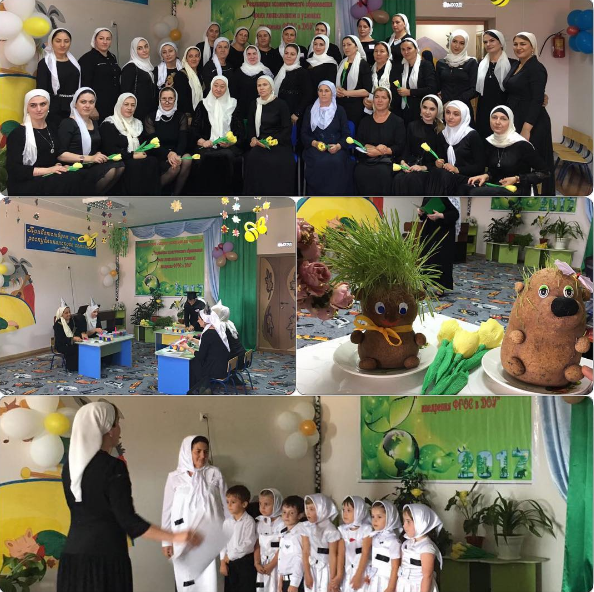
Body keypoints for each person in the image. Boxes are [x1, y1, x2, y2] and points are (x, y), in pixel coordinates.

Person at [57, 402, 200, 592]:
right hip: (106, 560)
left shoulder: (69, 469)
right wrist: (175, 536)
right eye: (117, 423)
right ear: (109, 429)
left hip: (72, 560)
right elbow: (128, 520)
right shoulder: (113, 467)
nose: (119, 429)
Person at [161, 435, 227, 592]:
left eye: (206, 451)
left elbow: (226, 506)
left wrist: (227, 544)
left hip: (210, 537)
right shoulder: (174, 477)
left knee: (211, 582)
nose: (202, 456)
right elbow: (167, 510)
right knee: (187, 581)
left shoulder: (214, 474)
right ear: (187, 452)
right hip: (183, 538)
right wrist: (166, 541)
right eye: (198, 451)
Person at [503, 32, 555, 195]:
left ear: (532, 47)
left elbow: (537, 100)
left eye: (523, 44)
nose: (518, 47)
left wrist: (527, 128)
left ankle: (536, 198)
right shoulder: (516, 65)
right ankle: (519, 194)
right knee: (519, 161)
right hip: (516, 118)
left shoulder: (537, 68)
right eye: (515, 44)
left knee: (534, 163)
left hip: (533, 122)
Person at [7, 90, 86, 196]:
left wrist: (60, 166)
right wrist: (49, 170)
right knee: (68, 180)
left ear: (49, 106)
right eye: (33, 105)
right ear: (27, 108)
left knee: (79, 175)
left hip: (48, 176)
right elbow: (15, 170)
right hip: (25, 182)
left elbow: (54, 154)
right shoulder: (17, 134)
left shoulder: (52, 128)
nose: (39, 109)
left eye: (43, 104)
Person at [467, 105, 550, 196]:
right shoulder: (490, 142)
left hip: (517, 189)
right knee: (467, 187)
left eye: (503, 119)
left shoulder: (521, 144)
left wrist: (517, 179)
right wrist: (486, 176)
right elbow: (495, 170)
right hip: (496, 187)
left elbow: (544, 172)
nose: (497, 122)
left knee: (475, 193)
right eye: (494, 117)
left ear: (510, 122)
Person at [58, 87, 124, 194]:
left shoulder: (94, 122)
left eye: (91, 102)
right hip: (73, 166)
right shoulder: (68, 123)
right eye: (83, 102)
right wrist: (90, 158)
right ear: (75, 104)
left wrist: (97, 155)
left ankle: (97, 196)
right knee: (110, 171)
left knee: (120, 166)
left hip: (90, 163)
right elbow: (61, 155)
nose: (87, 105)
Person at [189, 76, 244, 195]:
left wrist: (230, 142)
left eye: (222, 86)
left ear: (226, 88)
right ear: (211, 86)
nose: (218, 89)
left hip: (228, 146)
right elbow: (194, 129)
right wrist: (202, 141)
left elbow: (240, 130)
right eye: (216, 85)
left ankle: (227, 196)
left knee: (227, 156)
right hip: (206, 144)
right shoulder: (203, 104)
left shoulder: (233, 104)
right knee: (204, 157)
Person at [100, 92, 160, 195]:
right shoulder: (109, 123)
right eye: (126, 104)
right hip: (120, 159)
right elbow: (110, 149)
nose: (129, 108)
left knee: (152, 161)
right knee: (134, 165)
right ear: (119, 105)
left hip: (137, 157)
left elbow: (145, 142)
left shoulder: (138, 123)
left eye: (133, 105)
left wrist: (143, 152)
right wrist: (132, 155)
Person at [244, 75, 295, 195]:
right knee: (253, 158)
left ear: (271, 87)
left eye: (265, 85)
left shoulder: (281, 104)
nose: (261, 88)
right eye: (259, 85)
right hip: (260, 142)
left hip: (279, 143)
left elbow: (287, 128)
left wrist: (273, 141)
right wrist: (253, 138)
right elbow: (251, 126)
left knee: (277, 161)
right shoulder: (254, 104)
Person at [301, 81, 354, 196]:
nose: (323, 94)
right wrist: (315, 144)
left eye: (326, 91)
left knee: (336, 161)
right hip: (315, 148)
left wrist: (338, 146)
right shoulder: (310, 110)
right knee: (319, 162)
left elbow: (346, 134)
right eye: (320, 91)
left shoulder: (339, 110)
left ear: (332, 93)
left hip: (336, 148)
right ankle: (317, 196)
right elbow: (304, 134)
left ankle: (337, 197)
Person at [354, 87, 406, 195]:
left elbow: (399, 147)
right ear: (373, 100)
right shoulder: (364, 121)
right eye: (377, 97)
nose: (380, 100)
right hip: (367, 159)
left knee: (382, 172)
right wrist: (372, 149)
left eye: (384, 97)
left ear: (389, 101)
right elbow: (358, 143)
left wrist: (382, 151)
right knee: (359, 171)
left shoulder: (398, 122)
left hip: (387, 161)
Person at [427, 100, 485, 196]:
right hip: (448, 176)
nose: (450, 117)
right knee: (436, 172)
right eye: (448, 112)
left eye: (456, 114)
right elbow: (442, 159)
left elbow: (480, 167)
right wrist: (439, 163)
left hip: (468, 178)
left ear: (463, 116)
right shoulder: (442, 135)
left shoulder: (472, 135)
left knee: (443, 176)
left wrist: (457, 169)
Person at [392, 94, 444, 196]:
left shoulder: (441, 130)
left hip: (429, 169)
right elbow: (406, 148)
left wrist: (423, 167)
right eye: (425, 107)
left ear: (438, 111)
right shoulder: (412, 125)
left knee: (413, 179)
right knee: (398, 178)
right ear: (420, 108)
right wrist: (403, 162)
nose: (427, 112)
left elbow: (441, 158)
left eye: (432, 109)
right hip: (411, 164)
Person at [143, 87, 191, 195]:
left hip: (176, 152)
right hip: (158, 153)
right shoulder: (150, 117)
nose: (167, 102)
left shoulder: (181, 116)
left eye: (170, 98)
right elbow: (153, 143)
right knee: (175, 168)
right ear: (159, 100)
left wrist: (177, 155)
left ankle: (175, 195)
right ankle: (153, 193)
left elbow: (183, 140)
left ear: (175, 100)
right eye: (164, 99)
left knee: (187, 159)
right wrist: (168, 154)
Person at [36, 29, 81, 127]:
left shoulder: (75, 63)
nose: (62, 45)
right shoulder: (45, 63)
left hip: (74, 107)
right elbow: (41, 90)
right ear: (51, 42)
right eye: (58, 41)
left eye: (66, 41)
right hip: (54, 109)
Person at [475, 30, 515, 139]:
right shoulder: (480, 64)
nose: (488, 44)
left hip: (504, 110)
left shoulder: (513, 64)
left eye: (492, 40)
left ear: (501, 43)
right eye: (485, 42)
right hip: (484, 110)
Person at [183, 308, 231, 394]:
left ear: (205, 320)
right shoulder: (216, 329)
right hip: (223, 365)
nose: (198, 321)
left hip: (215, 369)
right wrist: (193, 339)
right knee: (195, 361)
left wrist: (188, 348)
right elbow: (207, 345)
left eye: (199, 319)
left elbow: (200, 356)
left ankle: (201, 388)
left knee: (193, 363)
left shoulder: (207, 334)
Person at [435, 29, 478, 125]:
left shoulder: (471, 63)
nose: (457, 46)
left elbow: (475, 89)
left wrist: (453, 102)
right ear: (450, 41)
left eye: (462, 43)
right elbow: (437, 87)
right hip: (445, 108)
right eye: (454, 41)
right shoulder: (441, 63)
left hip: (463, 107)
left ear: (465, 45)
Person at [418, 197, 460, 293]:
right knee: (426, 257)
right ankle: (424, 282)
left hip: (443, 232)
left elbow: (455, 214)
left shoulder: (448, 197)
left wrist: (441, 215)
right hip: (428, 231)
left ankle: (440, 286)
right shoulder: (426, 196)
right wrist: (421, 213)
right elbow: (424, 215)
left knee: (441, 259)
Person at [397, 504, 443, 592]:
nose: (404, 526)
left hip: (419, 587)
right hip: (404, 586)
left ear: (421, 522)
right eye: (404, 521)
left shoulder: (426, 547)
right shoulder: (406, 543)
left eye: (408, 521)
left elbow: (427, 576)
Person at [220, 485, 258, 592]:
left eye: (233, 502)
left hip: (244, 563)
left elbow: (248, 544)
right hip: (229, 563)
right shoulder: (227, 522)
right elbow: (223, 543)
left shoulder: (249, 521)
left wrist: (230, 555)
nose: (229, 505)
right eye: (227, 502)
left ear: (244, 504)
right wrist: (223, 562)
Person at [79, 28, 120, 122]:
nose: (105, 42)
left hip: (114, 104)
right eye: (101, 38)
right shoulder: (87, 58)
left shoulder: (112, 57)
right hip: (97, 105)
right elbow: (85, 84)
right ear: (95, 40)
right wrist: (91, 107)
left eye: (108, 39)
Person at [394, 38, 438, 125]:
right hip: (405, 110)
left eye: (409, 48)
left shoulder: (425, 65)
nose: (406, 52)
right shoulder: (401, 67)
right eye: (403, 49)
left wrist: (409, 92)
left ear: (416, 49)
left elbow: (432, 89)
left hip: (421, 109)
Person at [302, 494, 340, 592]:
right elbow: (305, 552)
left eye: (312, 509)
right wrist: (307, 574)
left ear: (322, 510)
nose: (308, 512)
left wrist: (332, 580)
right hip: (312, 569)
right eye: (307, 508)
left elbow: (333, 555)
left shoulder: (331, 530)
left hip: (326, 570)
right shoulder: (307, 527)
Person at [274, 43, 313, 141]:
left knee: (293, 140)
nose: (288, 56)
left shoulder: (302, 72)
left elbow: (308, 95)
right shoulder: (280, 70)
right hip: (280, 112)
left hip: (294, 115)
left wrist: (297, 113)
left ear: (297, 56)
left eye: (292, 54)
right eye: (286, 53)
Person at [335, 35, 372, 130]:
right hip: (341, 104)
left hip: (355, 107)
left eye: (349, 44)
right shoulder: (342, 63)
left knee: (353, 131)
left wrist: (346, 93)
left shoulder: (363, 64)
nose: (346, 47)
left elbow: (367, 91)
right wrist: (338, 90)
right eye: (344, 45)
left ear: (356, 46)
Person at [338, 496, 372, 592]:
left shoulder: (366, 529)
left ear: (359, 511)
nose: (345, 513)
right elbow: (341, 554)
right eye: (343, 510)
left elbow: (365, 553)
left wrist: (358, 575)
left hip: (362, 572)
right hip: (348, 572)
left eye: (349, 510)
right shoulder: (342, 530)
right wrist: (339, 575)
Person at [120, 37, 157, 124]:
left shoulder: (150, 67)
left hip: (150, 110)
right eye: (139, 48)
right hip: (137, 112)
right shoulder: (130, 67)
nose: (144, 50)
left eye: (146, 46)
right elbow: (125, 92)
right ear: (134, 51)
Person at [367, 501, 401, 592]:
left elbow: (395, 567)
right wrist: (369, 575)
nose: (375, 520)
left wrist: (390, 587)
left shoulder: (393, 541)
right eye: (373, 516)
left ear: (390, 518)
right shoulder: (374, 537)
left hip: (387, 581)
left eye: (379, 517)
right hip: (375, 579)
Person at [231, 45, 273, 119]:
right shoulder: (238, 73)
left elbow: (270, 92)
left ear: (258, 55)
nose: (252, 57)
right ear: (245, 56)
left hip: (262, 109)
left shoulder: (265, 71)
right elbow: (234, 93)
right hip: (243, 111)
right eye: (249, 54)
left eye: (254, 53)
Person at [254, 488, 284, 592]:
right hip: (263, 564)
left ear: (276, 504)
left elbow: (282, 548)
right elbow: (257, 545)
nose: (262, 507)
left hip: (276, 564)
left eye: (266, 504)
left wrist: (272, 565)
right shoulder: (259, 523)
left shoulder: (282, 524)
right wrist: (257, 563)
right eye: (260, 503)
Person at [278, 496, 306, 592]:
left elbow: (300, 558)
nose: (286, 516)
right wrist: (280, 581)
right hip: (286, 580)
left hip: (295, 581)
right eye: (284, 512)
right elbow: (282, 559)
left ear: (300, 515)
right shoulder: (284, 532)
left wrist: (294, 584)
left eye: (291, 513)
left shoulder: (298, 533)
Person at [154, 42, 191, 111]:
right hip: (163, 109)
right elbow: (153, 93)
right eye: (164, 52)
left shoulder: (184, 70)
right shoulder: (156, 71)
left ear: (176, 52)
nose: (168, 54)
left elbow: (188, 92)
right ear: (161, 55)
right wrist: (165, 89)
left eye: (170, 51)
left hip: (182, 109)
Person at [363, 41, 397, 113]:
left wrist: (376, 104)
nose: (378, 54)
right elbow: (367, 88)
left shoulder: (395, 69)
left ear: (388, 54)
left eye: (382, 51)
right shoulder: (370, 69)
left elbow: (396, 92)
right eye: (376, 51)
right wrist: (366, 100)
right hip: (372, 109)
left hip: (391, 108)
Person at [211, 299, 246, 369]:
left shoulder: (221, 327)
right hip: (242, 357)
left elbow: (214, 345)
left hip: (234, 361)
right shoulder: (229, 323)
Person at [53, 300, 83, 371]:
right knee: (74, 349)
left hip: (72, 342)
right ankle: (72, 367)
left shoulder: (72, 321)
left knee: (82, 347)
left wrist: (80, 335)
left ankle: (83, 365)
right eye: (66, 313)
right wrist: (73, 339)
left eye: (69, 312)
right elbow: (61, 339)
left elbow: (77, 331)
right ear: (61, 314)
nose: (69, 314)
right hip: (62, 345)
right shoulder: (58, 324)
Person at [179, 46, 204, 119]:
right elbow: (182, 99)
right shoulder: (180, 75)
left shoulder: (201, 74)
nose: (194, 59)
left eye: (196, 56)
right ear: (186, 58)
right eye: (190, 56)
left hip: (200, 114)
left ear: (200, 58)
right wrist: (188, 116)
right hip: (187, 116)